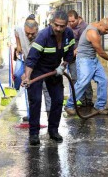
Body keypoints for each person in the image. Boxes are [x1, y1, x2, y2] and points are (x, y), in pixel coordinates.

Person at [21, 10, 75, 145]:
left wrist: (63, 66)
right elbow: (31, 59)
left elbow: (69, 54)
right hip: (38, 70)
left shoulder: (69, 34)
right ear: (51, 23)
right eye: (56, 25)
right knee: (36, 100)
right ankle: (34, 133)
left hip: (55, 70)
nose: (58, 28)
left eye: (62, 26)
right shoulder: (43, 36)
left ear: (66, 25)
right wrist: (27, 77)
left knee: (57, 100)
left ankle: (53, 131)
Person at [64, 18, 108, 115]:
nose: (106, 31)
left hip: (93, 59)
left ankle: (99, 106)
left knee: (103, 80)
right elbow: (100, 52)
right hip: (84, 60)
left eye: (107, 29)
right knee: (83, 83)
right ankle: (69, 105)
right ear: (100, 25)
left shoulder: (97, 26)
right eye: (105, 29)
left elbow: (102, 31)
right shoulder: (93, 33)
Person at [14, 14, 51, 119]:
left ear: (37, 30)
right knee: (31, 91)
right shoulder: (20, 29)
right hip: (28, 64)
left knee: (46, 90)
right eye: (27, 33)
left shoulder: (43, 35)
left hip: (42, 66)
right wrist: (19, 45)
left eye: (32, 34)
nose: (30, 36)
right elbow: (16, 31)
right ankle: (32, 115)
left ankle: (50, 115)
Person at [67, 10, 93, 115]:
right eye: (69, 21)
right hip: (72, 58)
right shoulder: (68, 27)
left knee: (84, 79)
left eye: (73, 21)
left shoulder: (84, 28)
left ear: (78, 19)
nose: (71, 23)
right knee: (75, 79)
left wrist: (75, 51)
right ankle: (81, 100)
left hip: (82, 57)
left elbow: (84, 43)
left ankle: (88, 100)